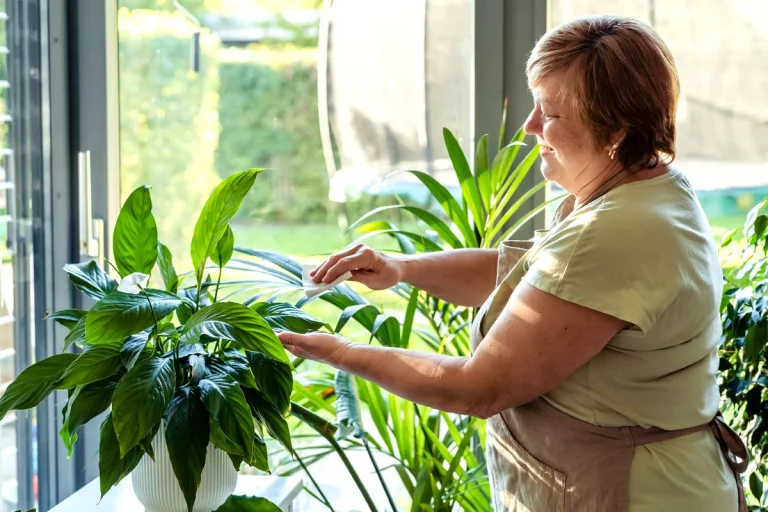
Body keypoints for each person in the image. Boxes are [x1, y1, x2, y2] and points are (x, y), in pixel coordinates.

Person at [277, 15, 747, 512]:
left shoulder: (618, 233)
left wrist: (342, 353)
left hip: (637, 496)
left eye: (551, 113)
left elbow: (477, 389)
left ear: (617, 131)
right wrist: (401, 268)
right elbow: (526, 280)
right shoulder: (644, 187)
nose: (529, 126)